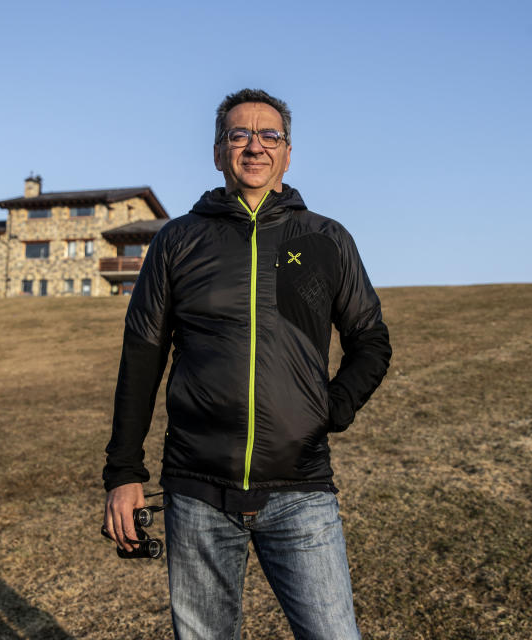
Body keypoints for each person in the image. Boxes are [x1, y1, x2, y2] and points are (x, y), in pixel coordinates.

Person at [103, 88, 392, 639]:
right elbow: (141, 356)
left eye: (269, 136)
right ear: (218, 153)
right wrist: (123, 473)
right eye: (239, 134)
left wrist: (332, 408)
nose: (254, 146)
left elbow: (370, 340)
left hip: (300, 490)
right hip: (196, 493)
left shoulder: (324, 239)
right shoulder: (178, 241)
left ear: (287, 153)